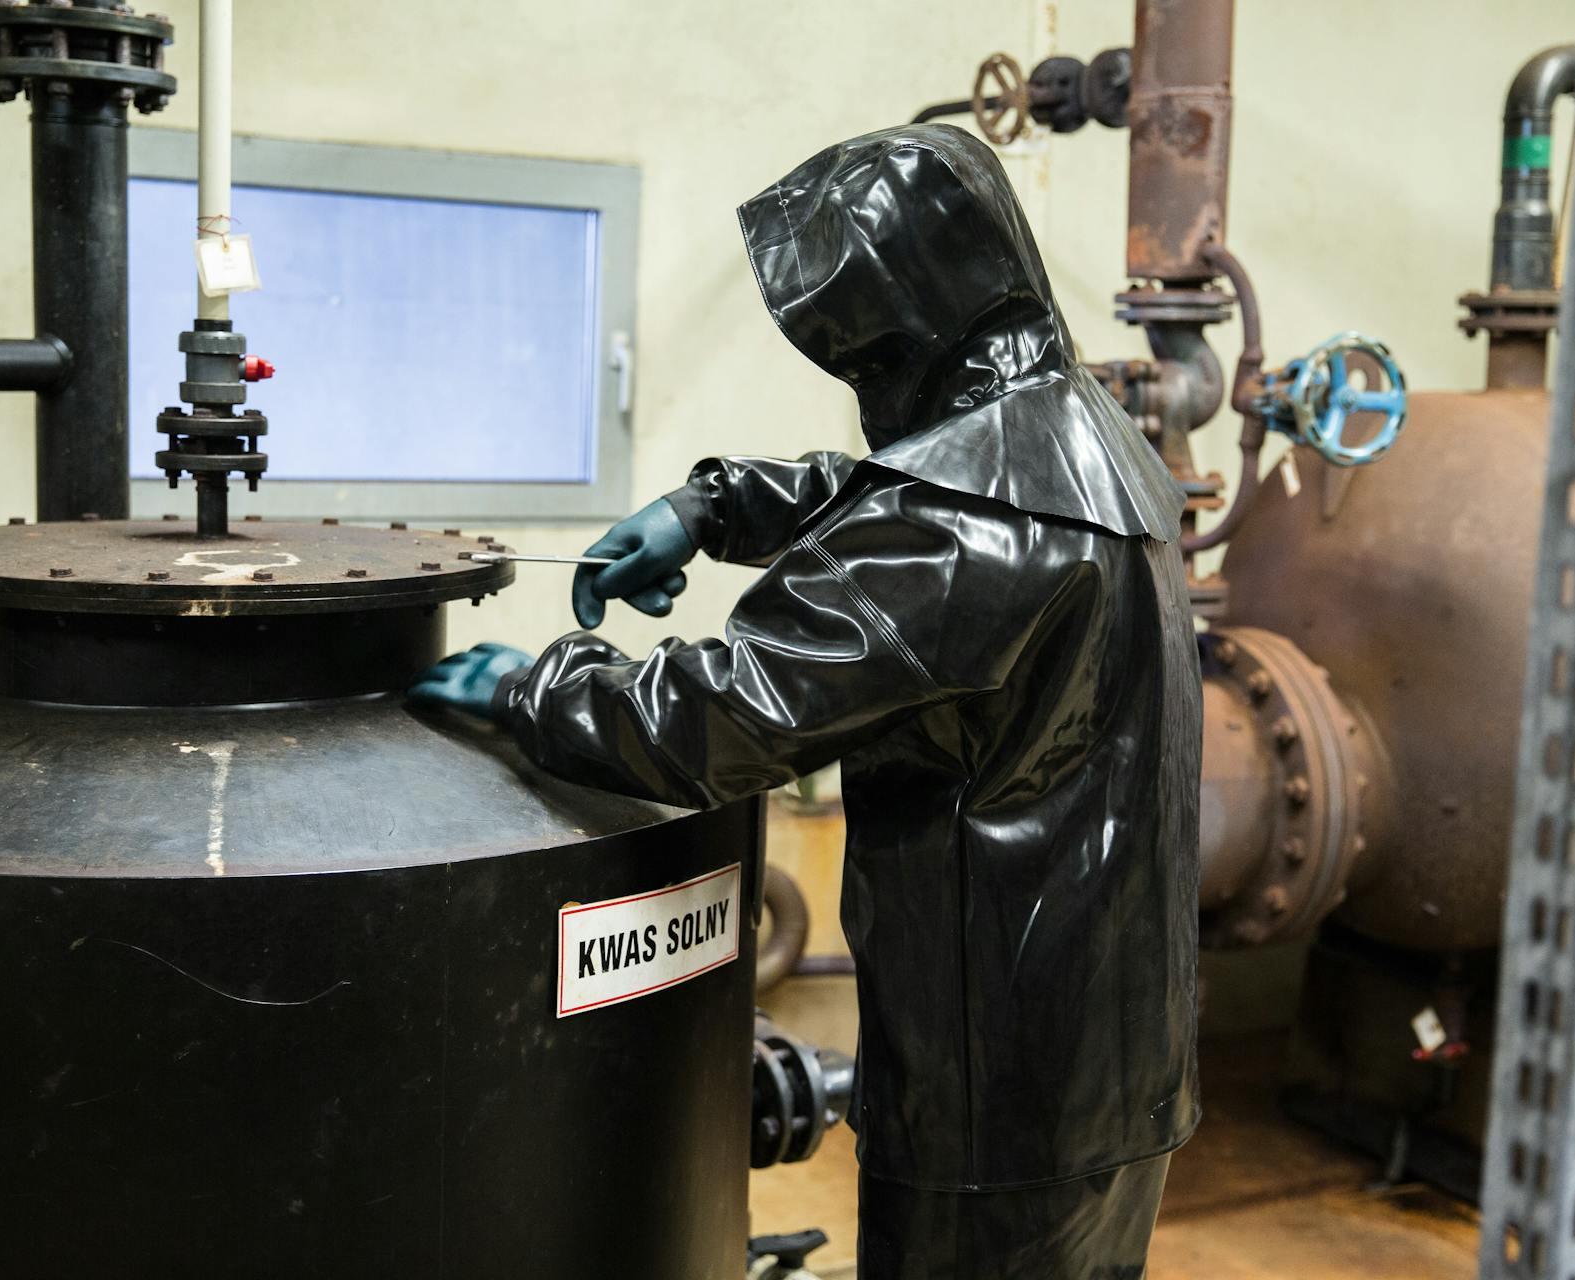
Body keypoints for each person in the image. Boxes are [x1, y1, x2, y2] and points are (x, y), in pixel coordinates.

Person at [412, 123, 1201, 1280]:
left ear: (909, 322)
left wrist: (531, 686)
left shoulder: (958, 530)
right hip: (1120, 1056)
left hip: (995, 1087)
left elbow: (718, 719)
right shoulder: (1090, 440)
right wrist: (716, 506)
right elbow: (903, 491)